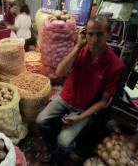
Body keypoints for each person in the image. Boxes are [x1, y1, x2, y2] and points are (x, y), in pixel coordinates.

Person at [36, 16, 124, 164]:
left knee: (64, 143)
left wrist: (80, 117)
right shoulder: (81, 51)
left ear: (109, 35)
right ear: (85, 34)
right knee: (40, 121)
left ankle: (57, 159)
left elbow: (103, 102)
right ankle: (50, 146)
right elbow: (59, 72)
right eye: (90, 34)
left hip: (83, 108)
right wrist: (77, 47)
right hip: (65, 97)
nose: (94, 39)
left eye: (99, 34)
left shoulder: (115, 65)